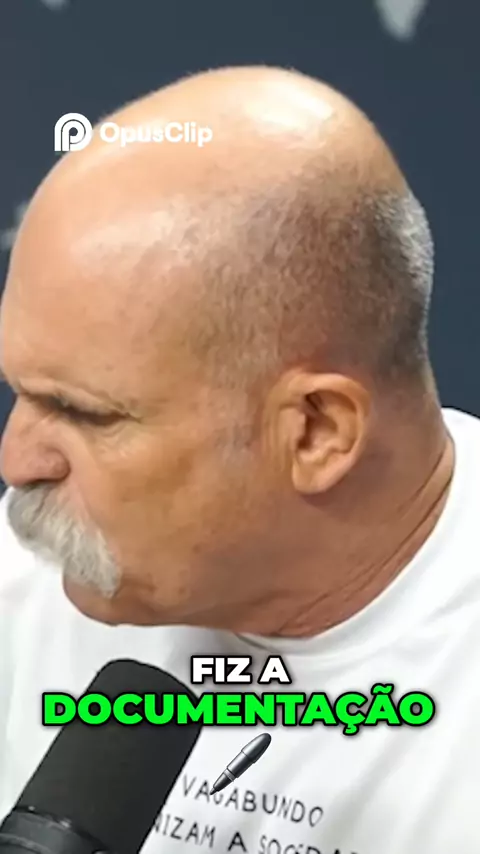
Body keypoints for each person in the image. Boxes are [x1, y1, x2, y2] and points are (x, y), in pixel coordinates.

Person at [0, 65, 478, 854]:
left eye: (85, 414)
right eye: (19, 393)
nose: (17, 462)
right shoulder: (23, 579)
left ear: (316, 431)